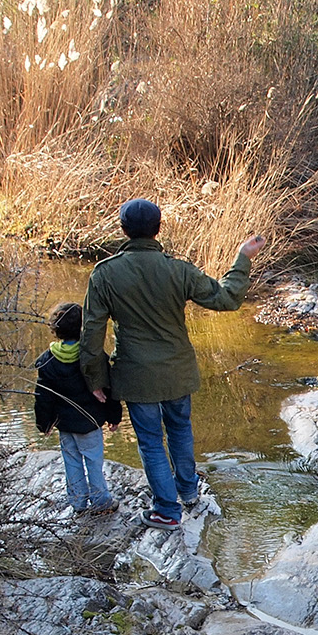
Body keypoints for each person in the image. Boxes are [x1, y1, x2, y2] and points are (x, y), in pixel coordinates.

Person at [79, 198, 266, 530]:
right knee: (180, 430)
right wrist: (242, 257)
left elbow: (92, 331)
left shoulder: (105, 274)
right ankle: (189, 493)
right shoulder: (178, 270)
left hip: (137, 376)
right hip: (178, 372)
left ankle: (167, 509)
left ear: (123, 230)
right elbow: (227, 298)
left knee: (151, 441)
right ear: (158, 229)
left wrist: (95, 377)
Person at [34, 301, 123, 515]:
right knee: (93, 461)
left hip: (64, 424)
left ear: (55, 330)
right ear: (84, 328)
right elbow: (107, 387)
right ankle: (101, 502)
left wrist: (43, 423)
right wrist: (114, 416)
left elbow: (43, 397)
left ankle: (78, 503)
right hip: (89, 422)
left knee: (71, 461)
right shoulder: (91, 356)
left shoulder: (47, 361)